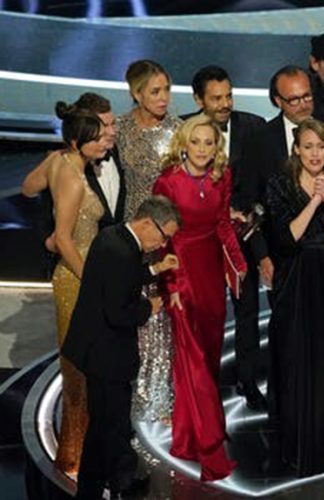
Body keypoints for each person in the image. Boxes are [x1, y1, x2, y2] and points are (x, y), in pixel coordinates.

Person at [61, 195, 181, 499]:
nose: (162, 244)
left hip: (93, 348)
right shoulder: (123, 252)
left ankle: (117, 480)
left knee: (109, 425)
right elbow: (119, 312)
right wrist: (149, 307)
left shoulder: (113, 237)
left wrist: (155, 269)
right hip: (107, 354)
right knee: (107, 427)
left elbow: (120, 279)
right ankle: (100, 487)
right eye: (163, 236)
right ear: (145, 222)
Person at [153, 114, 247, 481]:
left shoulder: (222, 176)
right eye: (197, 142)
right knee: (191, 360)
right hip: (182, 272)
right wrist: (173, 286)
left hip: (211, 272)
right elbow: (164, 238)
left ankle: (190, 435)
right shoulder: (168, 182)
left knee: (207, 357)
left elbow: (223, 223)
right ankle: (207, 444)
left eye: (210, 143)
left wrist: (238, 265)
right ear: (184, 144)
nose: (204, 149)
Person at [264, 118, 324, 476]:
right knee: (295, 361)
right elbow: (287, 238)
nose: (315, 154)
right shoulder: (280, 183)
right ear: (296, 149)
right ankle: (297, 451)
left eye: (321, 146)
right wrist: (314, 199)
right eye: (308, 146)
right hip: (295, 278)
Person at [235, 65, 315, 412]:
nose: (303, 104)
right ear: (277, 101)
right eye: (294, 99)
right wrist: (261, 255)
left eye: (307, 96)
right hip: (279, 255)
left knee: (323, 331)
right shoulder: (260, 141)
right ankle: (284, 400)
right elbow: (249, 204)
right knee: (284, 333)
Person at [117, 59, 182, 422]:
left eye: (166, 90)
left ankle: (158, 402)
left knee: (159, 320)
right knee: (129, 315)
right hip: (129, 236)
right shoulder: (121, 129)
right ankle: (129, 397)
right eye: (154, 91)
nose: (163, 98)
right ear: (136, 93)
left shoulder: (178, 130)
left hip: (166, 237)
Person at [47, 101, 109, 476]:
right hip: (76, 279)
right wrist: (93, 282)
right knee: (78, 370)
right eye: (96, 138)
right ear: (76, 141)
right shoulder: (72, 176)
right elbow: (65, 239)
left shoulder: (59, 163)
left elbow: (28, 185)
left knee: (82, 367)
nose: (104, 142)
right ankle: (73, 456)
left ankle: (79, 450)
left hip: (74, 274)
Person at [21, 93, 126, 252]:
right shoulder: (63, 163)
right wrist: (49, 242)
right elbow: (30, 191)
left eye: (113, 123)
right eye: (105, 125)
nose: (112, 132)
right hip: (76, 258)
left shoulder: (117, 152)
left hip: (112, 256)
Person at [182, 65, 266, 200]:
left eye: (228, 96)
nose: (226, 104)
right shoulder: (182, 127)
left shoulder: (254, 126)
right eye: (217, 98)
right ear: (199, 100)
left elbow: (261, 181)